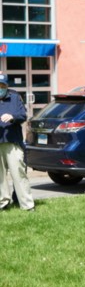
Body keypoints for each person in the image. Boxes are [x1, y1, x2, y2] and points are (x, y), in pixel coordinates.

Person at [0, 73, 35, 212]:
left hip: (13, 142)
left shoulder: (14, 97)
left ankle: (27, 205)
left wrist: (12, 117)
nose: (0, 88)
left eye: (2, 85)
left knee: (19, 173)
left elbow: (23, 116)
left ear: (6, 86)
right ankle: (3, 202)